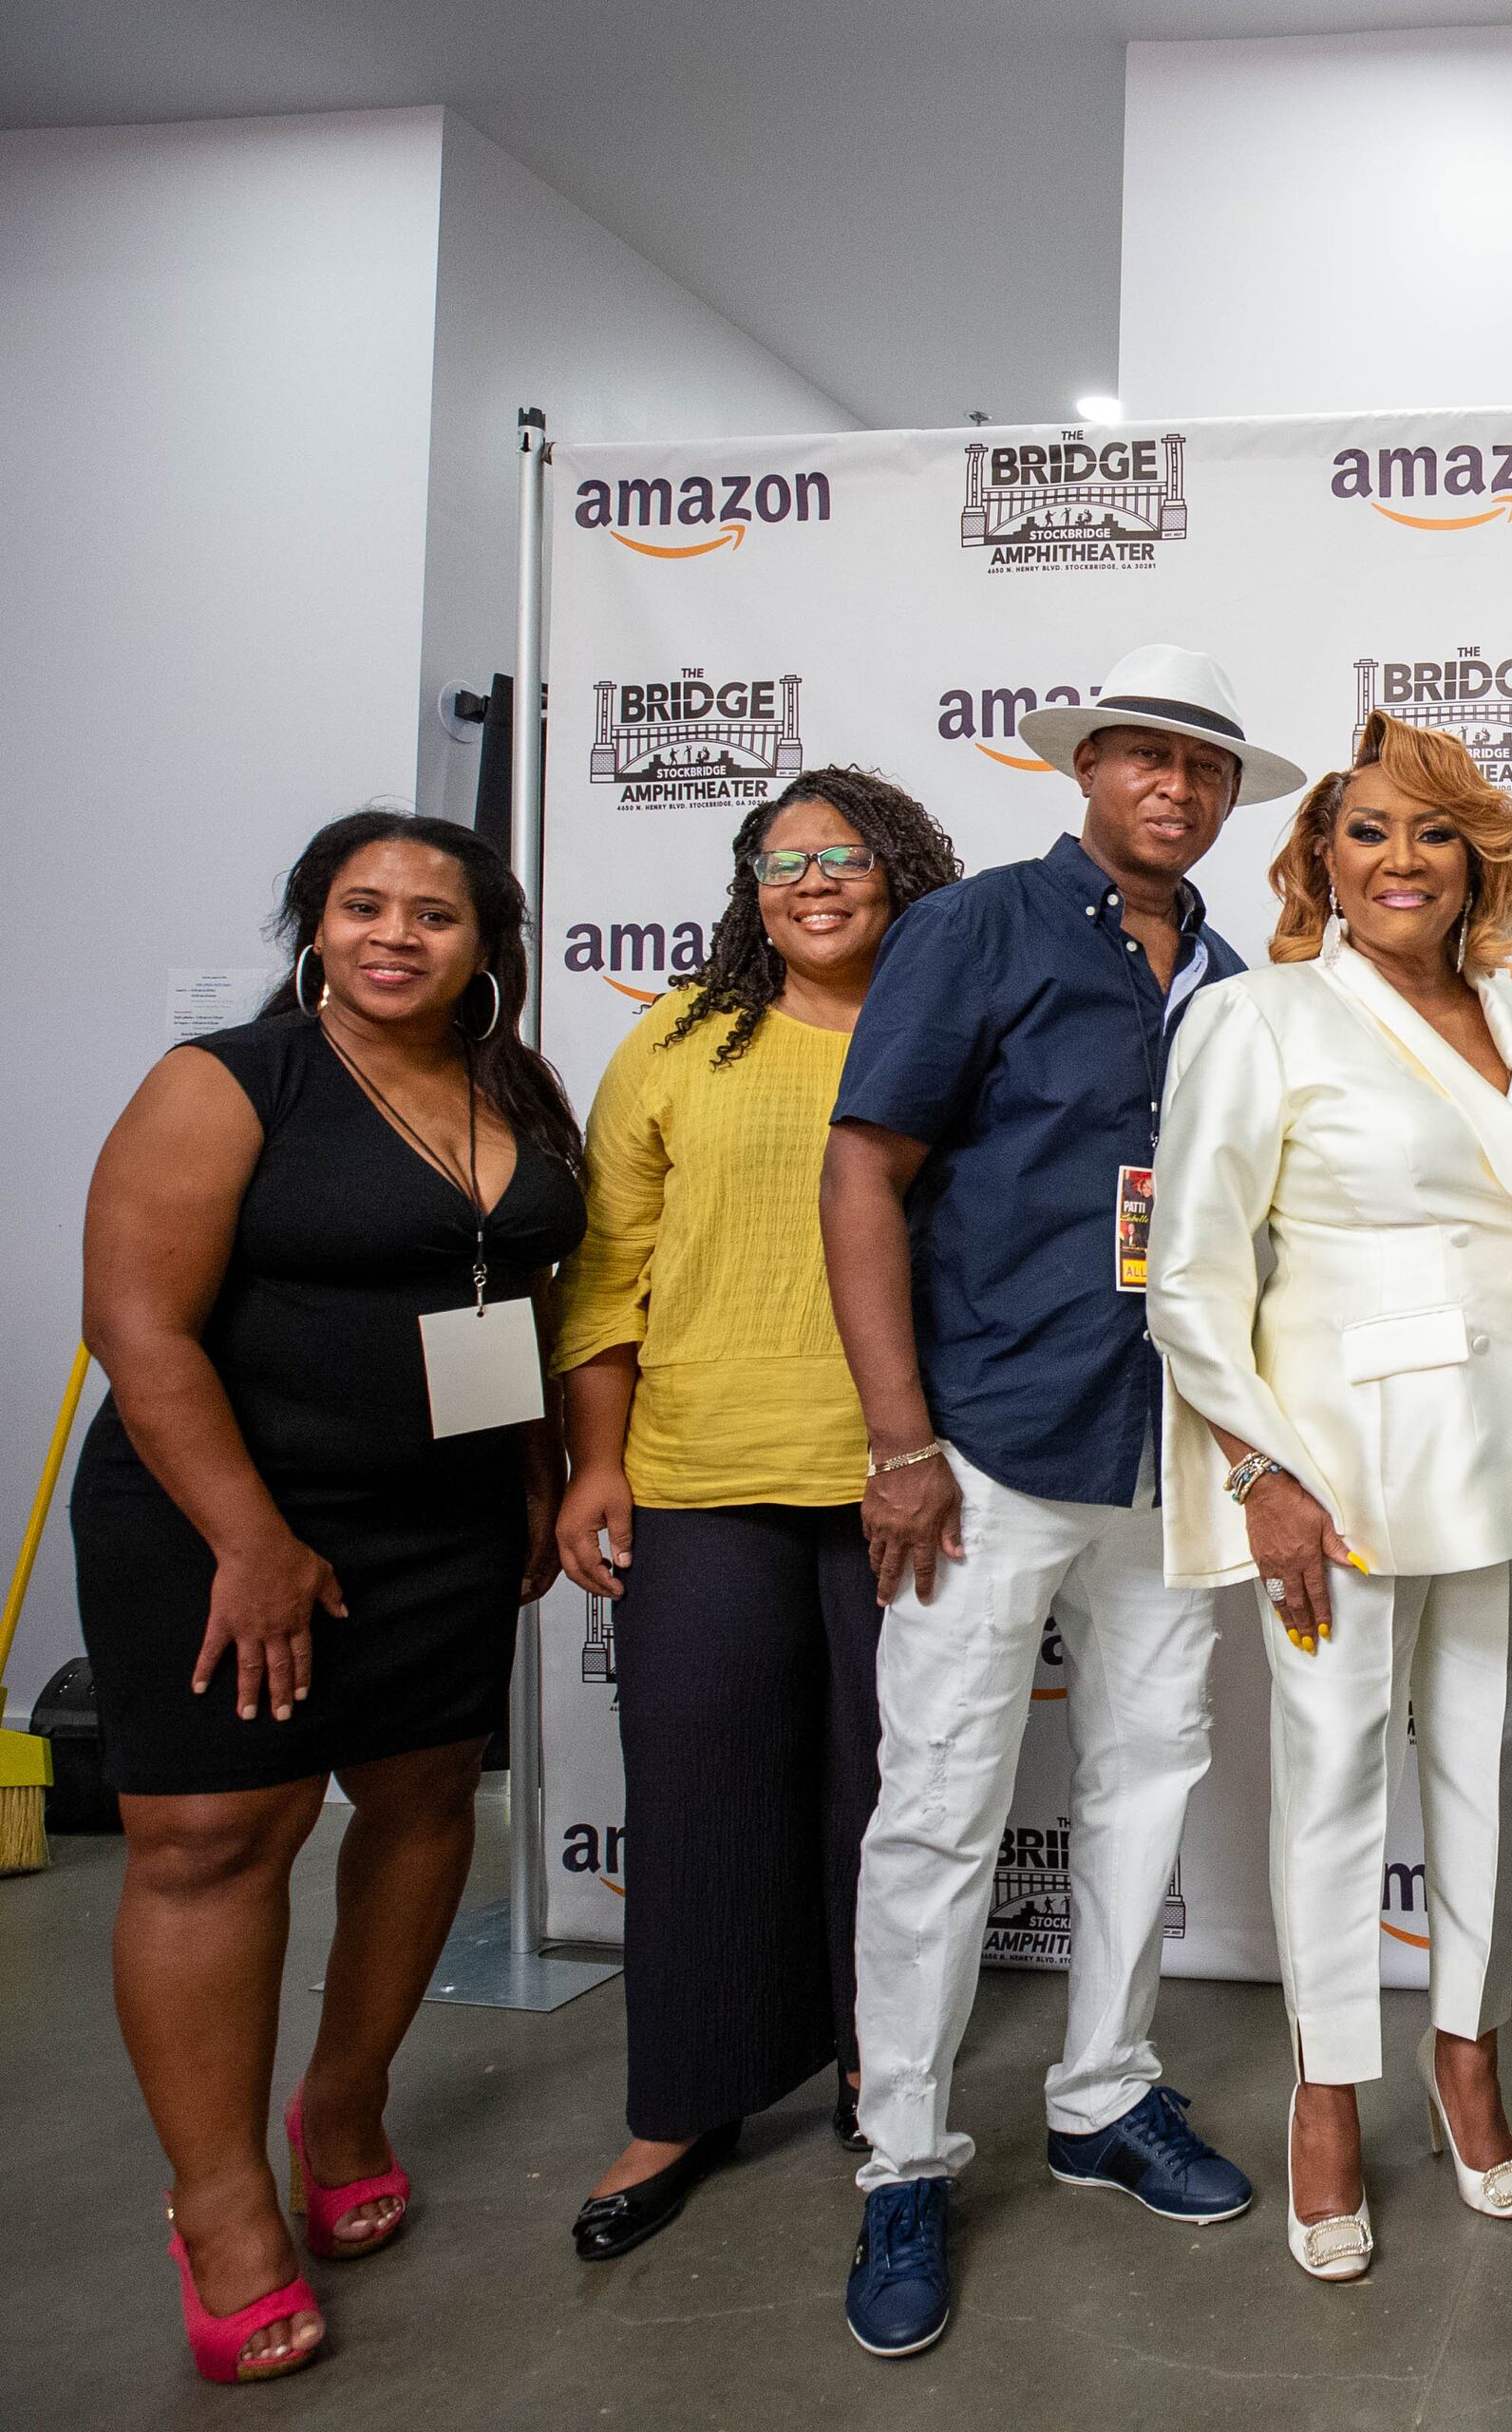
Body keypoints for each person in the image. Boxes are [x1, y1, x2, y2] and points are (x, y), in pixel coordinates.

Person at [823, 645, 1308, 2360]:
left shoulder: (1234, 979)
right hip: (985, 1449)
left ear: (1227, 798)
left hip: (1164, 1456)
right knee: (942, 1809)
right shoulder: (975, 933)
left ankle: (1104, 2097)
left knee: (1144, 1785)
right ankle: (904, 2158)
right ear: (1085, 769)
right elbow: (863, 1167)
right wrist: (897, 1440)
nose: (1170, 789)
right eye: (1140, 759)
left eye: (1200, 769)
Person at [73, 810, 584, 2383]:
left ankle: (344, 2099)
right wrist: (249, 1539)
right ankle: (220, 2204)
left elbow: (523, 1300)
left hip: (443, 1521)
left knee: (426, 1798)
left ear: (483, 945)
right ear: (313, 924)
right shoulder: (229, 1082)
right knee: (221, 1836)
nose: (395, 935)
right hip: (224, 1519)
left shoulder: (511, 1087)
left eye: (435, 913)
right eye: (362, 905)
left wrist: (536, 1480)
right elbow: (137, 1327)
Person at [1144, 712, 1512, 2284]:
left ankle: (1465, 2056)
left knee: (1489, 1762)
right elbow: (1192, 1278)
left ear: (1476, 855)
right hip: (1334, 1465)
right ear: (1317, 861)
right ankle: (1326, 2087)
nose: (1400, 861)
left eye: (1432, 833)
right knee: (1336, 1769)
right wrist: (1262, 1470)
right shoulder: (1256, 1019)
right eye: (1366, 834)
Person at [551, 770, 963, 2262]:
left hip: (902, 1479)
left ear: (898, 870)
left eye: (842, 854)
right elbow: (604, 1276)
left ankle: (878, 2068)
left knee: (892, 1800)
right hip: (701, 1473)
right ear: (750, 885)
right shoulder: (673, 1042)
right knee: (696, 1789)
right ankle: (683, 2100)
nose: (812, 880)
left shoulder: (953, 1032)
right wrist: (596, 1466)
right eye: (780, 859)